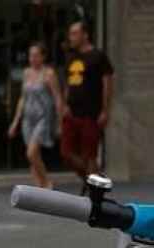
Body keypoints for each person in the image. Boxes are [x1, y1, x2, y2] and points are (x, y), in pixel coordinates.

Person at [60, 21, 114, 190]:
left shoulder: (98, 56)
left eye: (75, 34)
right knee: (66, 153)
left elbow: (107, 83)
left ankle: (94, 190)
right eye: (70, 34)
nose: (71, 37)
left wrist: (105, 110)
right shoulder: (71, 57)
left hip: (91, 112)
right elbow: (68, 83)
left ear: (85, 35)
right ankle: (94, 181)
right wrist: (64, 104)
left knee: (89, 155)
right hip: (72, 112)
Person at [7, 44, 65, 189]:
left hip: (43, 117)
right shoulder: (26, 73)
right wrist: (15, 121)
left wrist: (59, 121)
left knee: (31, 153)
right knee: (34, 156)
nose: (32, 58)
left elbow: (57, 98)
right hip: (28, 118)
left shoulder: (49, 74)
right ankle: (39, 187)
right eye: (30, 55)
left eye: (36, 55)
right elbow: (22, 98)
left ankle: (47, 183)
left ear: (43, 57)